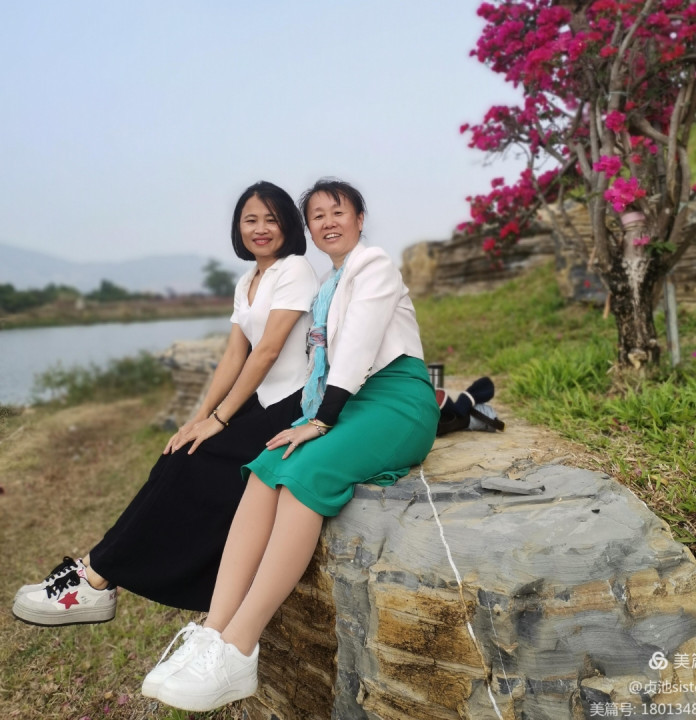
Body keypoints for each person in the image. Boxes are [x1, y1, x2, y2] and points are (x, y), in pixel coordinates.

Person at [142, 178, 439, 712]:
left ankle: (239, 647)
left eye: (338, 212)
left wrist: (319, 421)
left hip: (396, 400)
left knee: (306, 471)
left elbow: (358, 348)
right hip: (353, 401)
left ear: (360, 218)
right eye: (317, 216)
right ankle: (213, 632)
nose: (327, 222)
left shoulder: (373, 265)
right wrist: (308, 415)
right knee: (266, 466)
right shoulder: (327, 284)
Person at [12, 180, 318, 625]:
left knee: (199, 461)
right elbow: (234, 355)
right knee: (177, 452)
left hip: (290, 404)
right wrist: (198, 418)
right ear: (238, 227)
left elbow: (267, 351)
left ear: (288, 224)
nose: (260, 228)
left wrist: (219, 420)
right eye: (250, 219)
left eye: (271, 219)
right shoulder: (247, 280)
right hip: (261, 401)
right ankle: (95, 571)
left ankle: (95, 577)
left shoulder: (295, 270)